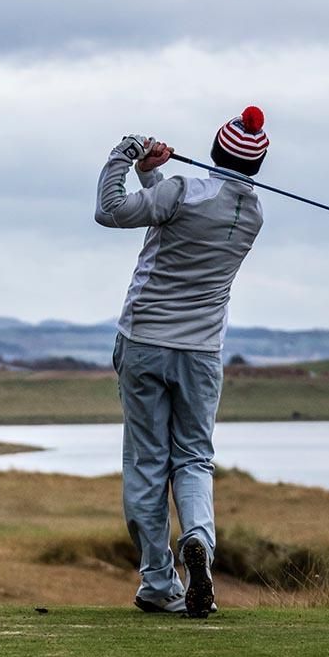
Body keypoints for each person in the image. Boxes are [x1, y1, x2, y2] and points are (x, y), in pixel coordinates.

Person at [95, 107, 269, 618]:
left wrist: (126, 152)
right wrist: (152, 173)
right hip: (201, 354)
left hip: (145, 342)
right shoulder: (252, 215)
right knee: (193, 459)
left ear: (214, 150)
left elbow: (110, 210)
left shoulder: (181, 191)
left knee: (147, 463)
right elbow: (179, 212)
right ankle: (198, 541)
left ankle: (158, 582)